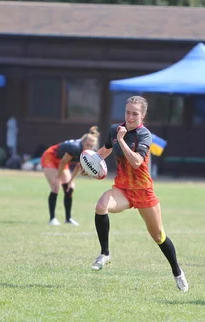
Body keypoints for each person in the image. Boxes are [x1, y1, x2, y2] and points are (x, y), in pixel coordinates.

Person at [75, 96, 188, 292]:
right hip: (123, 189)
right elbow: (105, 150)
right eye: (127, 112)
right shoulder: (114, 129)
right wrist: (91, 164)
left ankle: (177, 272)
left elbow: (136, 162)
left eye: (135, 113)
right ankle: (105, 254)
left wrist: (121, 140)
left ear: (143, 115)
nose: (130, 116)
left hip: (144, 191)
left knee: (158, 236)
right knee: (101, 206)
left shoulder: (144, 135)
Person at [40, 126, 100, 226]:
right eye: (87, 144)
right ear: (83, 142)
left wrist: (71, 180)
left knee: (69, 188)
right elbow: (63, 162)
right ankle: (52, 219)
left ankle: (68, 219)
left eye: (90, 146)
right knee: (56, 186)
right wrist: (58, 177)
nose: (88, 147)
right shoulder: (75, 148)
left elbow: (78, 165)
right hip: (51, 157)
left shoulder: (90, 152)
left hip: (62, 161)